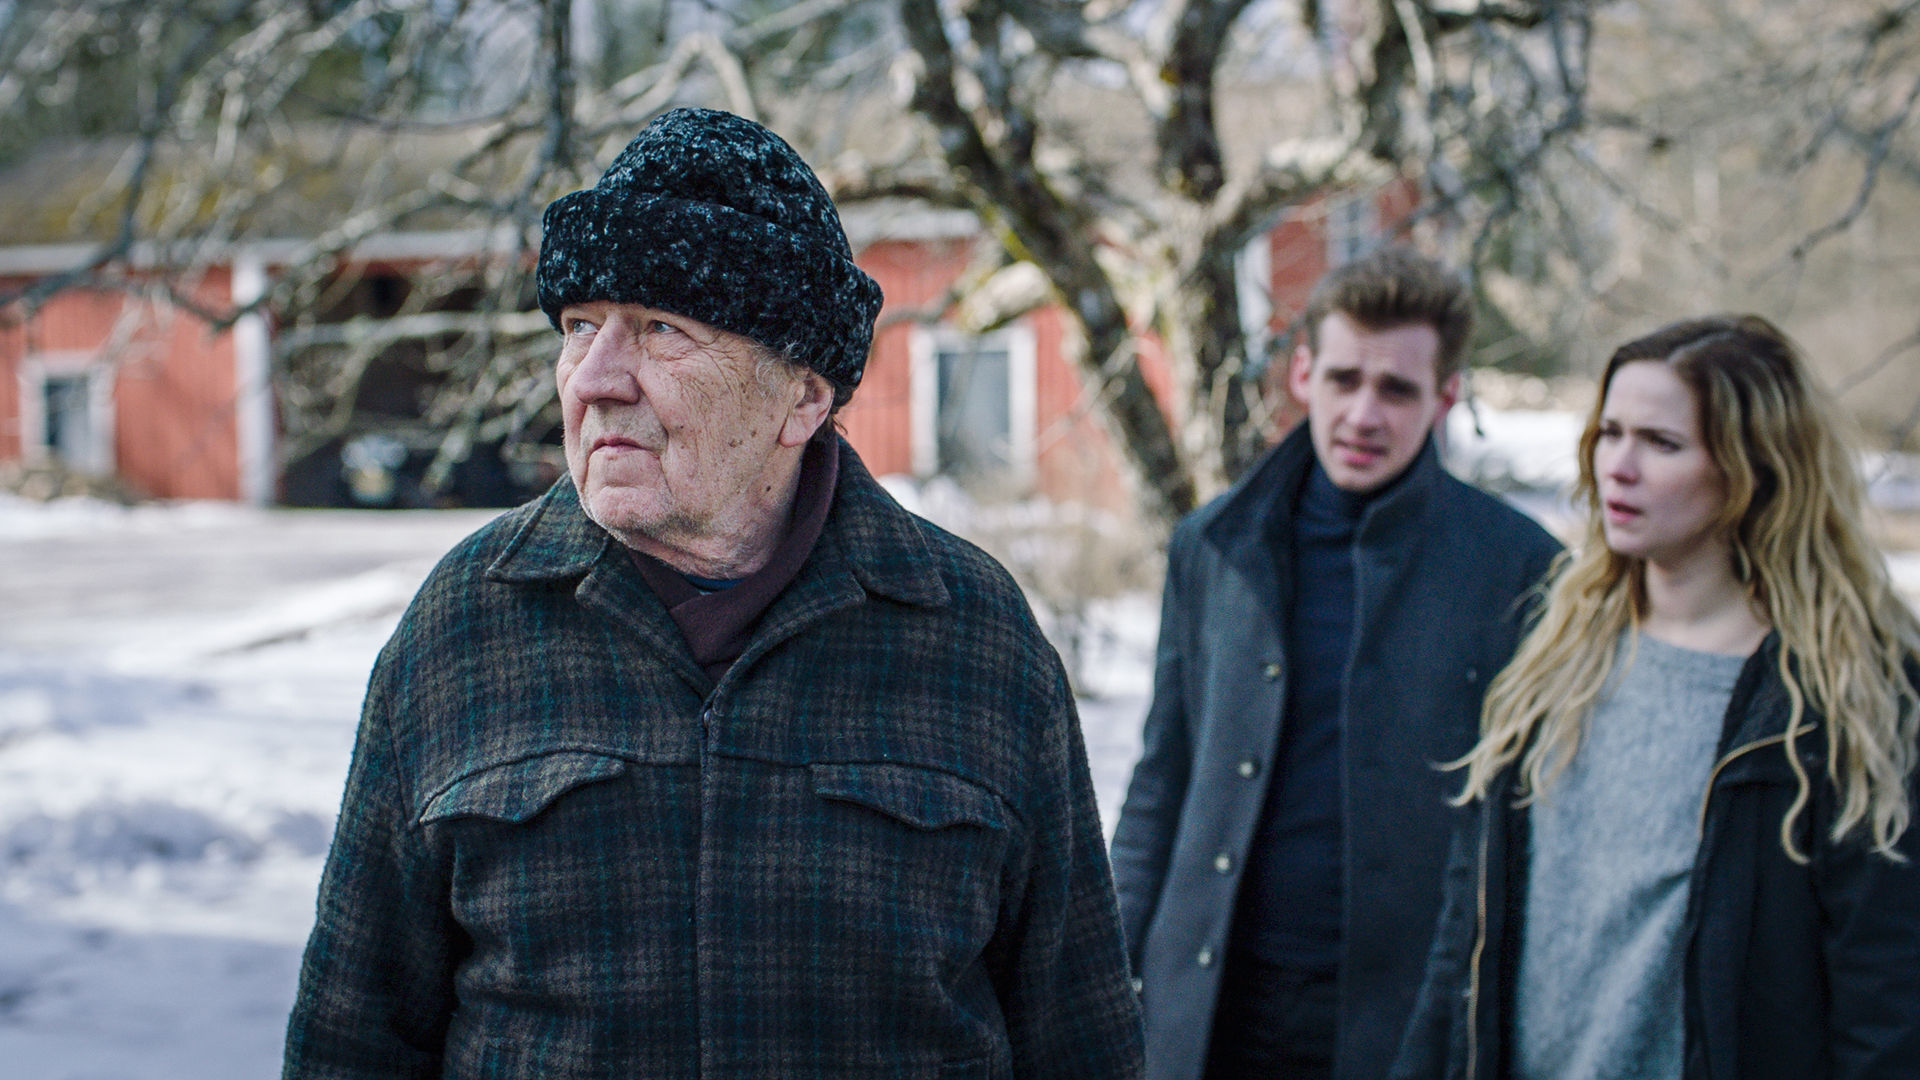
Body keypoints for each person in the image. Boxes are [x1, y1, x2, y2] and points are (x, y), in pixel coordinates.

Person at [282, 107, 1145, 1080]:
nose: (595, 379)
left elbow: (1082, 1037)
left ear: (803, 396)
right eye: (579, 327)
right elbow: (350, 1039)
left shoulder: (972, 635)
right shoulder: (465, 626)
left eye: (662, 329)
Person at [1392, 315, 1920, 1080]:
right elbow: (1464, 934)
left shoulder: (1841, 696)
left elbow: (1887, 999)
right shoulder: (1556, 649)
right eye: (1609, 434)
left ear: (1751, 468)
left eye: (1661, 443)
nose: (1619, 466)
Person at [1109, 246, 1561, 1080]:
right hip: (1206, 1003)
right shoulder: (1215, 545)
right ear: (1304, 373)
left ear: (1445, 397)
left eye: (1397, 389)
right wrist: (1100, 964)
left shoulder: (1518, 568)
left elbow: (1532, 831)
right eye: (1345, 378)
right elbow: (1163, 777)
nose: (1363, 413)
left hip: (1400, 1020)